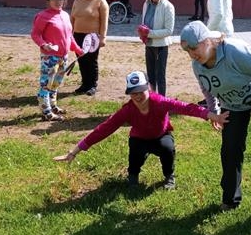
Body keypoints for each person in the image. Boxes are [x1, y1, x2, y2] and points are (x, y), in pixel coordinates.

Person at [54, 70, 229, 189]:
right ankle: (133, 175)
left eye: (140, 91)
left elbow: (187, 107)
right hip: (139, 139)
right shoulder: (127, 110)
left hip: (161, 136)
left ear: (148, 88)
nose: (137, 96)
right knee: (135, 155)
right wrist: (74, 151)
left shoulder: (159, 102)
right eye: (133, 92)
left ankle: (169, 176)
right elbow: (103, 129)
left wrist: (214, 116)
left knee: (168, 149)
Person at [180, 21, 251, 210]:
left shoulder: (235, 50)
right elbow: (206, 87)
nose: (192, 55)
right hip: (232, 105)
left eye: (194, 48)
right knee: (230, 149)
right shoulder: (197, 65)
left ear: (206, 41)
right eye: (188, 51)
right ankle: (230, 199)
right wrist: (214, 110)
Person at [31, 0, 84, 121]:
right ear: (48, 0)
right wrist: (44, 45)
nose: (58, 1)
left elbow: (69, 36)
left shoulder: (65, 15)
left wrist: (77, 49)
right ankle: (46, 111)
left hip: (63, 57)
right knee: (46, 83)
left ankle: (53, 105)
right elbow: (35, 34)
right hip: (50, 57)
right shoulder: (43, 16)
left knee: (56, 83)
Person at [70, 0, 109, 96]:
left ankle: (92, 85)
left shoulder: (100, 1)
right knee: (81, 60)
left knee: (91, 61)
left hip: (93, 37)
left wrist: (103, 37)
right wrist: (69, 35)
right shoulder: (77, 0)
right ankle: (84, 84)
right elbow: (72, 18)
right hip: (78, 35)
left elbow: (104, 21)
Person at [137, 0, 175, 96]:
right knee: (150, 75)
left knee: (160, 76)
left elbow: (169, 30)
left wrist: (149, 33)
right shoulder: (146, 3)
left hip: (161, 45)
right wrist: (142, 31)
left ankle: (162, 102)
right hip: (149, 44)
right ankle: (153, 99)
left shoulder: (168, 6)